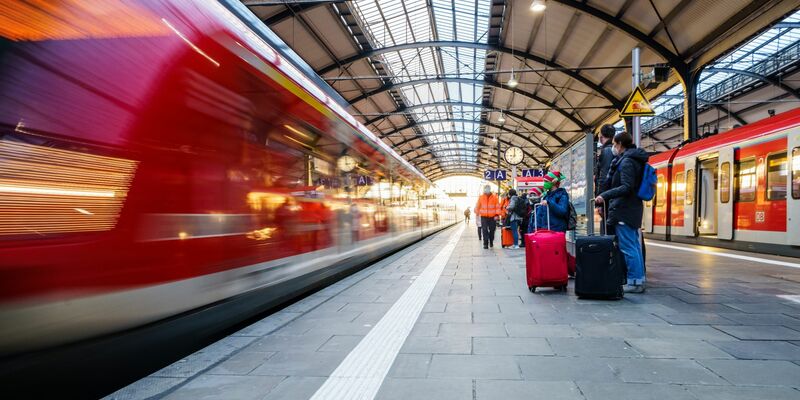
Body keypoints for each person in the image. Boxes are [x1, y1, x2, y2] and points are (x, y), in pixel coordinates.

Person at [595, 131, 648, 293]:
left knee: (628, 247)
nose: (614, 148)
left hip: (624, 209)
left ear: (619, 144)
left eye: (615, 145)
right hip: (631, 208)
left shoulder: (626, 162)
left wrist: (604, 195)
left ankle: (634, 282)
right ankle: (638, 279)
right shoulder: (634, 159)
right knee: (633, 245)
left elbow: (626, 187)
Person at [595, 124, 616, 233]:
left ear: (601, 136)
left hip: (607, 199)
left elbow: (603, 177)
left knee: (608, 231)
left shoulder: (607, 151)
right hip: (611, 197)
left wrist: (600, 201)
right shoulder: (613, 150)